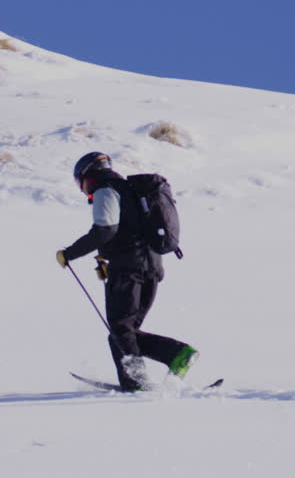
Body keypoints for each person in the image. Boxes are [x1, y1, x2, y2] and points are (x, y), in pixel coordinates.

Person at [55, 152, 198, 391]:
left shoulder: (105, 188)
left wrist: (69, 253)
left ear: (86, 175)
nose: (81, 190)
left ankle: (142, 379)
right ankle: (168, 360)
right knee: (125, 332)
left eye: (78, 182)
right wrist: (106, 259)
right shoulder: (130, 191)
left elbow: (105, 230)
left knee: (121, 330)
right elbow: (129, 231)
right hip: (152, 267)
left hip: (129, 270)